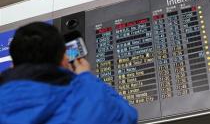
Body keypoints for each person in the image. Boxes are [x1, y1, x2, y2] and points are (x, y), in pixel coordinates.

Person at [0, 22, 138, 124]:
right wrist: (86, 79)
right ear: (64, 61)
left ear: (13, 64)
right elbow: (127, 116)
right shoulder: (89, 104)